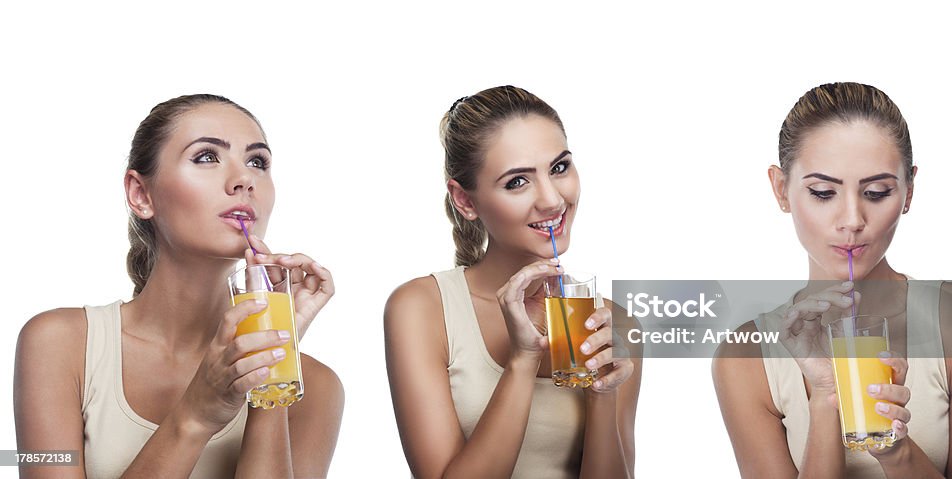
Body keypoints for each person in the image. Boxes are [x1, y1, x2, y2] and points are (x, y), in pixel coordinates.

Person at [14, 94, 344, 478]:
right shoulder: (58, 344)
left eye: (258, 162)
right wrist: (195, 415)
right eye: (206, 157)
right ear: (141, 194)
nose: (244, 180)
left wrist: (273, 370)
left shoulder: (316, 388)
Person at [713, 82, 952, 478]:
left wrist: (894, 449)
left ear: (908, 191)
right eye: (822, 192)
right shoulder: (745, 358)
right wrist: (825, 396)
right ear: (781, 189)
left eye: (876, 192)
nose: (852, 220)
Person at [384, 85, 641, 478]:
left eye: (559, 168)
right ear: (465, 201)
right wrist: (523, 359)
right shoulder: (421, 309)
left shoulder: (614, 323)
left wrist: (602, 393)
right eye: (517, 182)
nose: (553, 200)